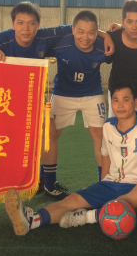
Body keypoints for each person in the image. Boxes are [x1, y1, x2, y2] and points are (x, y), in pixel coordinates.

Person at [4, 79, 137, 236]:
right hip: (111, 184)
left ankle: (89, 216)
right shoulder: (108, 126)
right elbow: (105, 157)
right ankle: (32, 220)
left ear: (135, 102)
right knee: (72, 200)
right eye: (116, 100)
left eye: (126, 100)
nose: (120, 105)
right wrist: (103, 184)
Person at [0, 3, 114, 200]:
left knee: (61, 133)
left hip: (74, 93)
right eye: (20, 23)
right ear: (12, 24)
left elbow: (80, 27)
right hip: (10, 98)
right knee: (28, 137)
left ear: (38, 24)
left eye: (31, 23)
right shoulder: (0, 40)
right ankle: (21, 180)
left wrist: (106, 35)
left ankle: (91, 183)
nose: (26, 28)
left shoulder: (48, 37)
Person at [46, 10, 112, 195]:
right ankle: (48, 182)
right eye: (81, 32)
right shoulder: (60, 44)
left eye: (91, 32)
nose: (85, 37)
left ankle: (103, 183)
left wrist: (108, 35)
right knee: (51, 134)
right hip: (63, 93)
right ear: (73, 30)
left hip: (92, 93)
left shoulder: (104, 47)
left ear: (97, 32)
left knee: (99, 134)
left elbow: (122, 42)